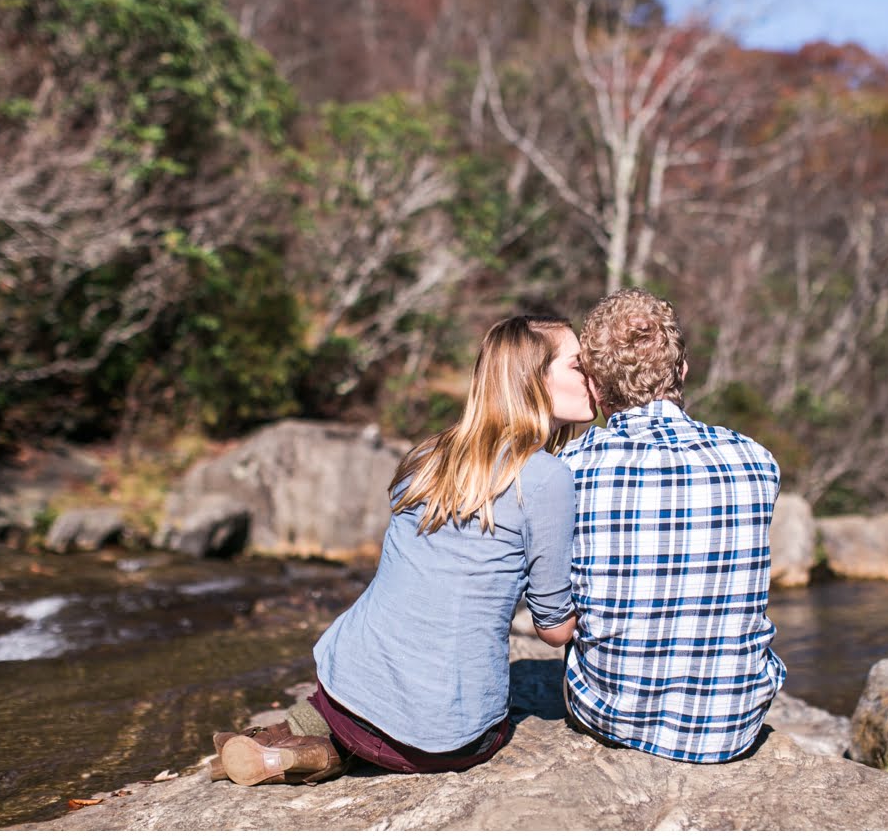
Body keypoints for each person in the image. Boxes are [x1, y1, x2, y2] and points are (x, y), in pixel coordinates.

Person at [211, 314, 597, 786]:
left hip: (343, 689)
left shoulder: (428, 457)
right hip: (446, 740)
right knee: (453, 726)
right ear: (534, 380)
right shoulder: (546, 477)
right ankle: (321, 754)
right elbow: (554, 630)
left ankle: (290, 741)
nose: (592, 375)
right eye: (578, 365)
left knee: (349, 713)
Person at [560, 288, 786, 764]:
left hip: (614, 718)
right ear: (682, 370)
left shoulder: (571, 468)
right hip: (734, 726)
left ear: (594, 388)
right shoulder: (756, 460)